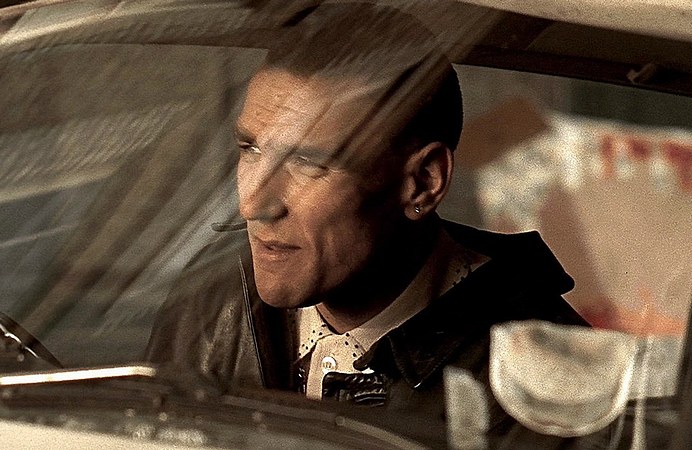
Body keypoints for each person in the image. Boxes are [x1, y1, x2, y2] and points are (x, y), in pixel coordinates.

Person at [145, 2, 587, 435]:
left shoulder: (551, 382)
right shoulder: (211, 296)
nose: (253, 205)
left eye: (307, 162)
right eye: (251, 149)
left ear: (422, 182)